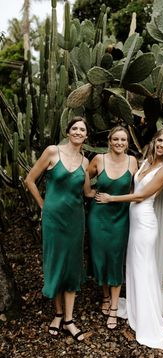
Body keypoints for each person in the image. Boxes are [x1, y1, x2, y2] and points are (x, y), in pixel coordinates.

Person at [96, 128, 163, 349]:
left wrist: (111, 198)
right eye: (160, 140)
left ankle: (145, 315)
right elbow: (132, 186)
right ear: (154, 141)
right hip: (131, 220)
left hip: (145, 223)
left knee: (143, 266)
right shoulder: (145, 161)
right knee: (133, 265)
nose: (162, 145)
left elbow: (142, 195)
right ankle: (134, 305)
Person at [25, 117, 95, 341]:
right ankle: (57, 314)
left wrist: (115, 192)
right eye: (74, 128)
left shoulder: (85, 162)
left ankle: (69, 320)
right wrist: (43, 205)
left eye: (82, 129)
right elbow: (30, 180)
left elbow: (87, 193)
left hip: (75, 220)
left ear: (86, 136)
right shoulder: (52, 151)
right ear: (68, 132)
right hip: (54, 219)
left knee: (72, 266)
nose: (78, 132)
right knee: (56, 263)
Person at [87, 126, 138, 330]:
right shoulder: (98, 160)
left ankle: (115, 307)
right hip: (98, 217)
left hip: (120, 217)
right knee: (101, 258)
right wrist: (89, 192)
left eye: (123, 140)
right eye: (115, 139)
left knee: (116, 259)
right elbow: (83, 176)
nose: (119, 143)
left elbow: (136, 188)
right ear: (109, 140)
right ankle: (106, 296)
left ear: (127, 143)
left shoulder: (132, 161)